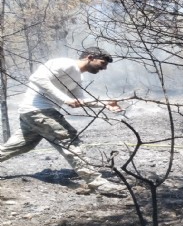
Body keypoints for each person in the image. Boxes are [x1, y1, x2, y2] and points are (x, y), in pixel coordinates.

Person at [0, 47, 125, 196]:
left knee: (21, 145)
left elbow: (80, 100)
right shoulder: (65, 63)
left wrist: (105, 104)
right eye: (103, 63)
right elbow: (36, 78)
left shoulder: (78, 77)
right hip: (39, 111)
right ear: (90, 57)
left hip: (30, 113)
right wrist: (65, 99)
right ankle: (98, 183)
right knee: (70, 141)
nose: (104, 68)